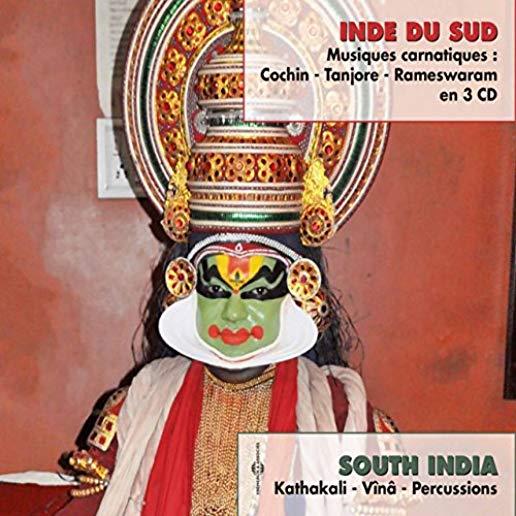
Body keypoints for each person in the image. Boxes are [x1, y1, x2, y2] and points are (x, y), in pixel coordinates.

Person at [0, 1, 395, 514]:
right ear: (186, 285)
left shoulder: (346, 421)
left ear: (298, 289)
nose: (233, 313)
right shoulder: (137, 407)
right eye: (216, 287)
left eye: (257, 290)